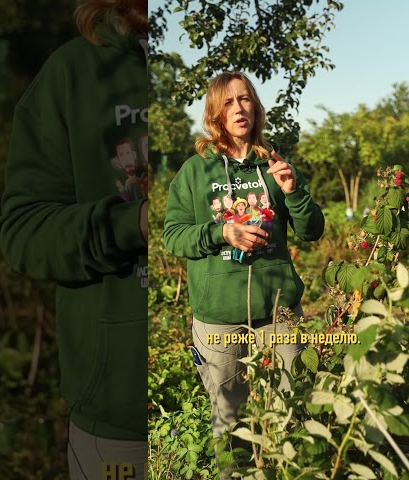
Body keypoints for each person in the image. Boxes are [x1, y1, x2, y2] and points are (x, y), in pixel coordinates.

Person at [0, 1, 148, 478]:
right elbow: (24, 231)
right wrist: (134, 225)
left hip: (224, 377)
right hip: (121, 417)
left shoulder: (216, 78)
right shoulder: (72, 73)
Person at [162, 71, 325, 476]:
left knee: (294, 409)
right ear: (216, 113)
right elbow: (173, 236)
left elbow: (313, 231)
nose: (239, 108)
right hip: (218, 317)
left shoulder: (275, 166)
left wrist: (293, 191)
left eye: (246, 99)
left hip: (278, 312)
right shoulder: (195, 172)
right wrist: (223, 232)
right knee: (229, 418)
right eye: (229, 102)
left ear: (256, 107)